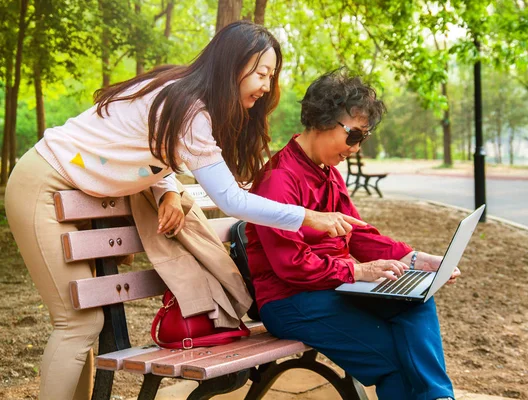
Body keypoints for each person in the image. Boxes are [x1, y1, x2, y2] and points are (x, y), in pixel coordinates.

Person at [4, 22, 363, 400]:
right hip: (44, 183)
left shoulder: (184, 99)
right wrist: (309, 216)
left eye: (271, 76)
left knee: (83, 327)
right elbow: (231, 201)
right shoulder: (190, 109)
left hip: (73, 186)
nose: (266, 86)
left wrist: (168, 191)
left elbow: (135, 147)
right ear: (232, 65)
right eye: (261, 73)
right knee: (77, 323)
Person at [245, 69, 460, 400]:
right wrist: (357, 271)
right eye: (354, 135)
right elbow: (291, 265)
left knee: (416, 300)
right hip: (291, 300)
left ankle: (439, 397)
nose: (356, 148)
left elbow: (358, 235)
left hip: (336, 286)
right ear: (322, 120)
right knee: (393, 359)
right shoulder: (279, 179)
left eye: (363, 138)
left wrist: (415, 258)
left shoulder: (327, 172)